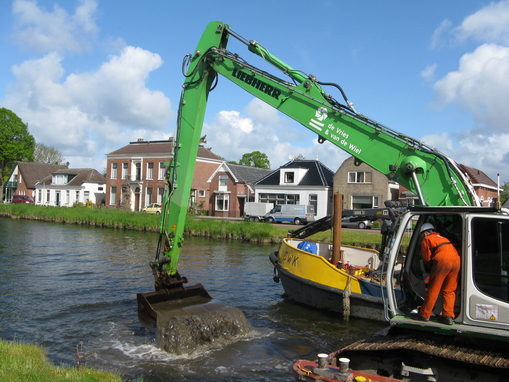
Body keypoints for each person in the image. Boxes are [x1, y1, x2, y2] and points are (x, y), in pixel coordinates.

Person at [415, 223, 460, 325]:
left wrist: (431, 268)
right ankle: (448, 316)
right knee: (449, 290)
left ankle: (424, 314)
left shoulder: (427, 239)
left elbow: (426, 258)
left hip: (443, 260)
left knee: (433, 288)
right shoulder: (443, 238)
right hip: (456, 260)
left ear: (425, 233)